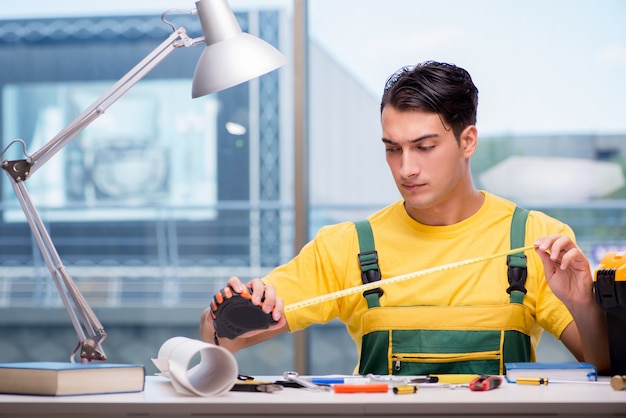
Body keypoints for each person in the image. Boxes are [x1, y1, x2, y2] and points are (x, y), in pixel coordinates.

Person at [200, 60, 610, 375]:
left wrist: (583, 304)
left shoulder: (537, 239)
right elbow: (223, 341)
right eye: (392, 148)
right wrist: (227, 313)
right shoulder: (348, 246)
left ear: (467, 140)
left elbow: (604, 367)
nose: (405, 168)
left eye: (424, 146)